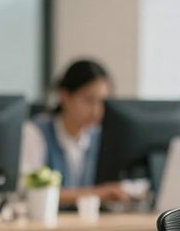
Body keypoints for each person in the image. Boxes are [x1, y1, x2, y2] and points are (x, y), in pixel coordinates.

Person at [19, 59, 130, 207]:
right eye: (89, 100)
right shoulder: (35, 132)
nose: (96, 111)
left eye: (102, 102)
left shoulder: (99, 135)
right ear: (65, 97)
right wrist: (99, 193)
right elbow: (28, 191)